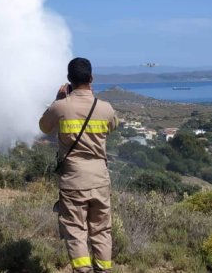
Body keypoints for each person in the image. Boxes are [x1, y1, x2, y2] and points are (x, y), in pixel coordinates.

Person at [39, 57, 119, 272]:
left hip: (73, 180)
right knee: (102, 230)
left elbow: (45, 127)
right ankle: (103, 269)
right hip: (100, 179)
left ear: (68, 79)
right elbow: (112, 126)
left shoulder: (60, 107)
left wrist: (57, 101)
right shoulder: (105, 108)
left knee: (75, 231)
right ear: (91, 78)